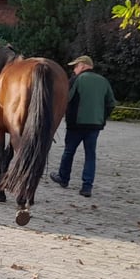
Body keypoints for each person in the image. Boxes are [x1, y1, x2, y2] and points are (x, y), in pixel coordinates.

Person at [49, 55, 116, 198]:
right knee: (90, 155)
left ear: (83, 65)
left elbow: (66, 98)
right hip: (95, 125)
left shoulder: (77, 80)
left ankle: (64, 178)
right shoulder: (103, 81)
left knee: (69, 151)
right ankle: (87, 187)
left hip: (76, 124)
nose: (74, 69)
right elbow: (111, 103)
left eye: (76, 66)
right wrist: (102, 117)